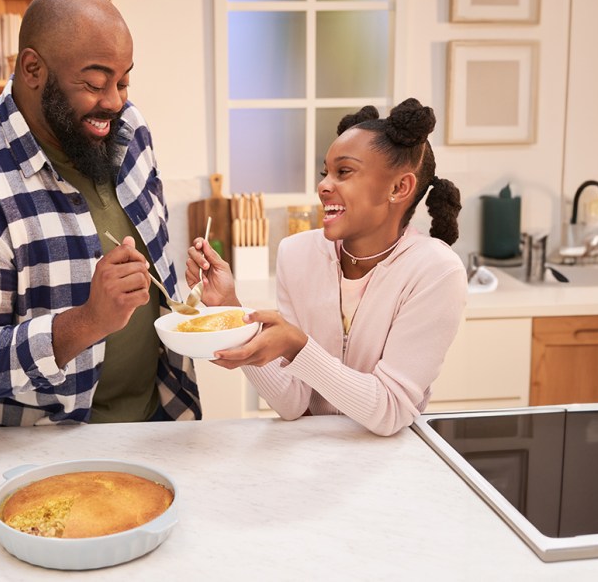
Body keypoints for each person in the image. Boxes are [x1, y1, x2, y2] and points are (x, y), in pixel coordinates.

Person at [0, 0, 199, 427]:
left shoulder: (129, 129)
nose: (115, 101)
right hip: (47, 452)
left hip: (160, 415)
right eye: (95, 84)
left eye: (124, 82)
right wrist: (87, 321)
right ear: (32, 69)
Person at [185, 98, 466, 436]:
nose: (323, 186)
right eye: (325, 172)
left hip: (390, 463)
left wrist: (298, 346)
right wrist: (230, 310)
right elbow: (292, 405)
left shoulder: (435, 270)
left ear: (398, 187)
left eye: (343, 172)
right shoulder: (297, 253)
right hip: (311, 459)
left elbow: (390, 411)